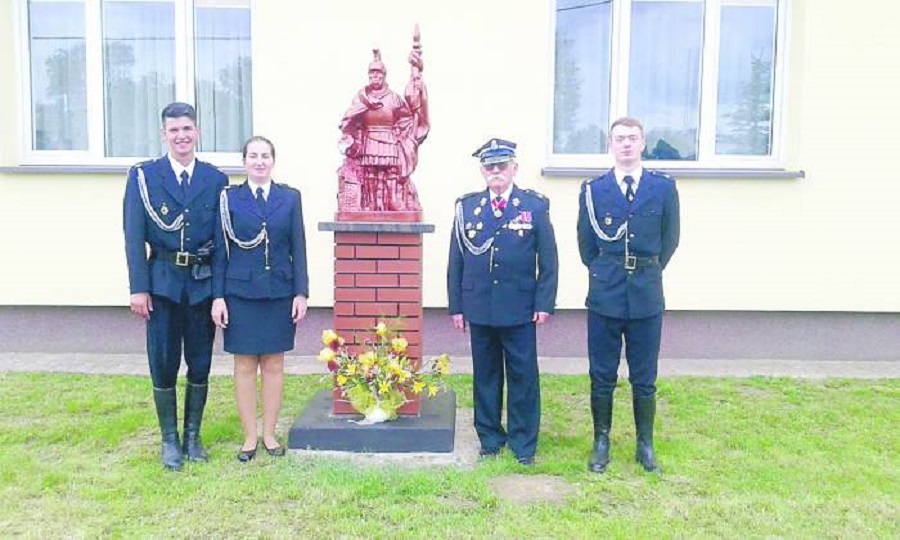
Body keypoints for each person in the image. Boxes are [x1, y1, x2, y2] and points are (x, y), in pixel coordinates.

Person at [123, 102, 228, 471]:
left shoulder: (215, 180)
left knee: (200, 361)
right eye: (174, 130)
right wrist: (138, 288)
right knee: (164, 362)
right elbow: (133, 235)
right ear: (163, 135)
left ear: (197, 132)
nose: (181, 136)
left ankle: (193, 437)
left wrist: (219, 293)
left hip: (200, 285)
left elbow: (220, 242)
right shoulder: (144, 177)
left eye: (187, 129)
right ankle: (170, 440)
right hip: (162, 283)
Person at [576, 117, 680, 474]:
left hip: (647, 293)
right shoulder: (593, 190)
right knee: (602, 373)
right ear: (610, 144)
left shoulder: (663, 188)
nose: (626, 145)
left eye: (632, 138)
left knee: (644, 376)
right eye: (619, 139)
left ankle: (644, 444)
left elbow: (670, 240)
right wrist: (609, 270)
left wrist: (645, 268)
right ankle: (601, 441)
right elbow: (586, 246)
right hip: (605, 293)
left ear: (643, 143)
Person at [448, 138, 559, 466]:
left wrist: (544, 303)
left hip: (520, 307)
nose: (496, 172)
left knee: (523, 377)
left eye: (502, 166)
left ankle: (524, 443)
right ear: (482, 170)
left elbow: (549, 260)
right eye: (489, 166)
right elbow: (456, 260)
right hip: (479, 306)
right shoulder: (466, 207)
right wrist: (456, 306)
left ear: (514, 168)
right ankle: (490, 439)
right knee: (486, 375)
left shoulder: (533, 206)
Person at [211, 136, 309, 463]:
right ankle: (249, 437)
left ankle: (269, 433)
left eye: (265, 156)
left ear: (273, 161)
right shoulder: (228, 199)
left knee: (274, 364)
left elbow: (299, 248)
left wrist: (301, 292)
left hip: (279, 293)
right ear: (244, 162)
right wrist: (218, 297)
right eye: (253, 156)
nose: (259, 161)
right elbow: (219, 252)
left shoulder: (290, 198)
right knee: (243, 365)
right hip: (240, 294)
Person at [338, 42, 429, 212]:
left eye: (378, 73)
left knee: (390, 171)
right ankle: (370, 202)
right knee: (371, 172)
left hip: (389, 139)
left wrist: (406, 127)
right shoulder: (362, 96)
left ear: (384, 75)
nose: (375, 77)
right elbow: (351, 116)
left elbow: (406, 117)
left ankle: (393, 199)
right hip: (369, 138)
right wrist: (351, 132)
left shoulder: (393, 98)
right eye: (371, 73)